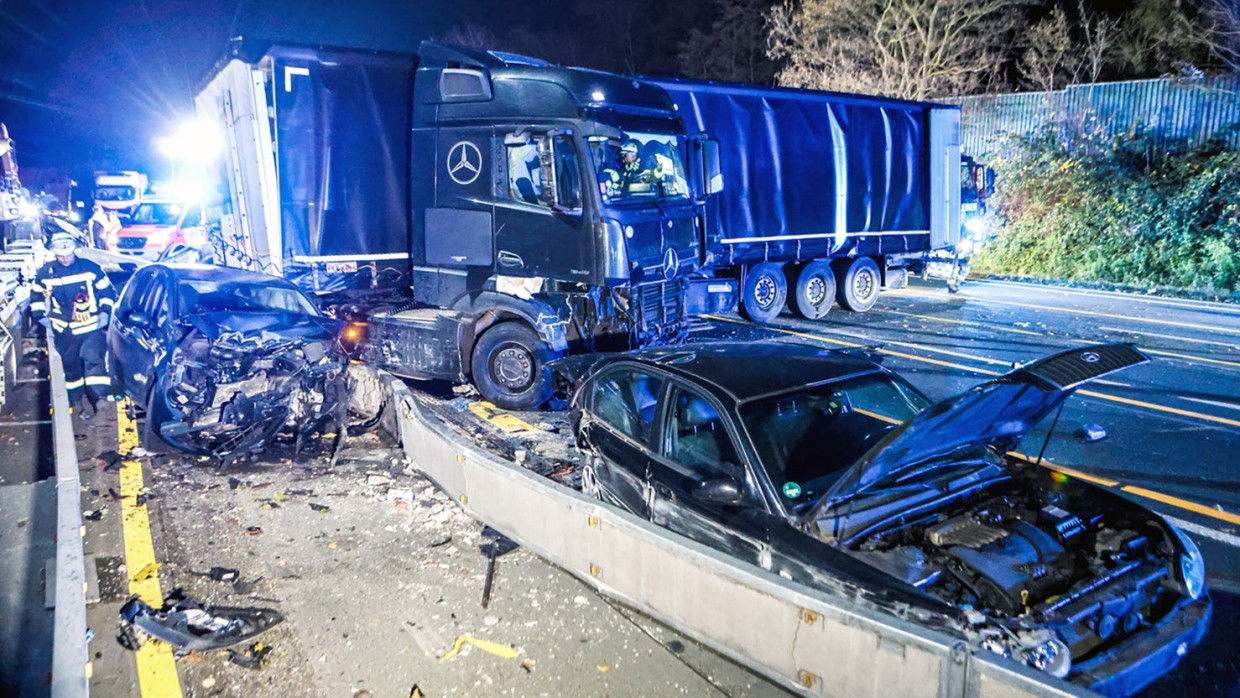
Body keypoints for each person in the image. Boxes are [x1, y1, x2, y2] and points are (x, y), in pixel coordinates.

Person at [31, 232, 117, 416]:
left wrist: (105, 313)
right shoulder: (46, 273)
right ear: (54, 253)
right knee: (70, 367)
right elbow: (36, 295)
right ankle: (75, 400)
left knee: (94, 361)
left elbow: (107, 293)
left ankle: (99, 397)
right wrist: (40, 315)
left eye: (68, 254)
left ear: (74, 251)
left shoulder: (90, 268)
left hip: (91, 327)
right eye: (60, 255)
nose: (64, 258)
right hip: (64, 330)